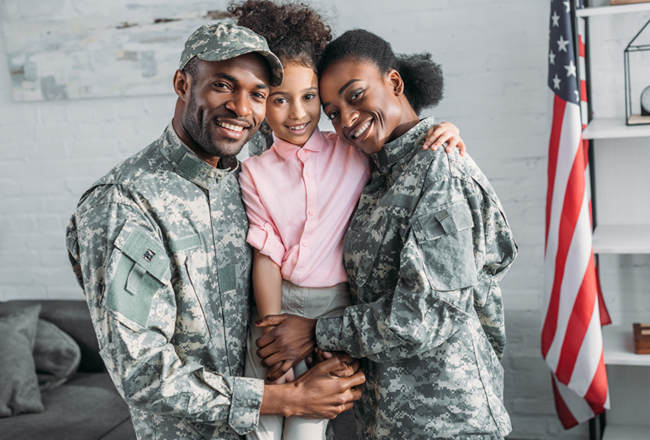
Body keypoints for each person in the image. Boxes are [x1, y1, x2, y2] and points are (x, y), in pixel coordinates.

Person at [65, 22, 364, 440]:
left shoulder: (251, 168)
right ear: (182, 83)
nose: (242, 108)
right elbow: (142, 372)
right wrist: (287, 399)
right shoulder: (123, 203)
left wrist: (432, 137)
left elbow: (346, 138)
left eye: (258, 94)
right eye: (223, 85)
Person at [255, 29, 518, 439]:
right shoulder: (375, 172)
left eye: (355, 95)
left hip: (449, 419)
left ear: (394, 82)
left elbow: (426, 315)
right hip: (386, 418)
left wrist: (315, 330)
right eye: (334, 111)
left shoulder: (440, 169)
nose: (347, 119)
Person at [228, 2, 466, 439]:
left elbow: (402, 141)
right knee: (260, 423)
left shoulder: (352, 148)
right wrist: (272, 328)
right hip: (282, 306)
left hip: (338, 309)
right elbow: (267, 255)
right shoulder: (255, 172)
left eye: (311, 99)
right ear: (262, 103)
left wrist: (445, 127)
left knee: (308, 424)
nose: (299, 113)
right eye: (279, 100)